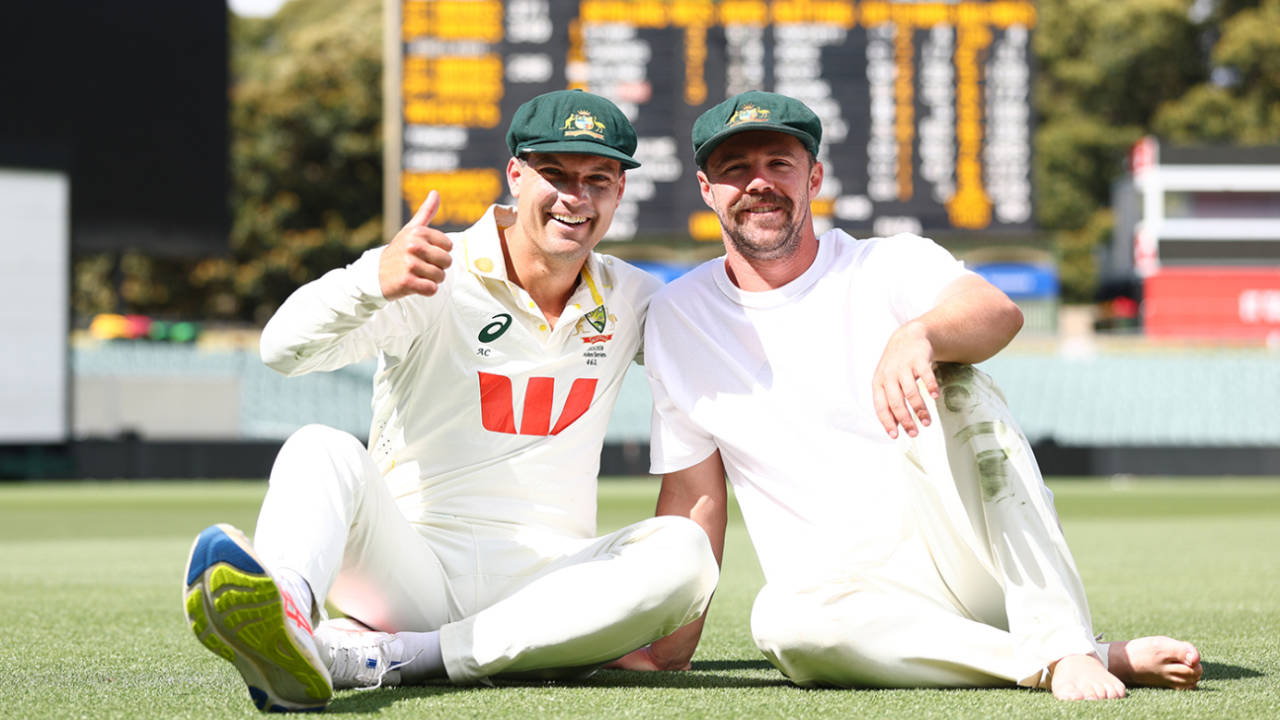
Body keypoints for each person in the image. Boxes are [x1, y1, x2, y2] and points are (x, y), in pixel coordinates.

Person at [613, 91, 1202, 701]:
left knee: (961, 387)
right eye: (735, 169)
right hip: (848, 602)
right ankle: (1069, 656)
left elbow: (996, 312)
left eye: (778, 163)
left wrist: (918, 333)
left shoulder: (888, 263)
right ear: (708, 190)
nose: (758, 182)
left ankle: (1059, 639)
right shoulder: (679, 316)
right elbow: (693, 493)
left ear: (813, 176)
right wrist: (667, 647)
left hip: (966, 562)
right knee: (782, 623)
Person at [181, 89, 718, 712]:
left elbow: (729, 353)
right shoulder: (430, 266)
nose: (576, 197)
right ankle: (290, 617)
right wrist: (367, 280)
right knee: (318, 448)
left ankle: (386, 657)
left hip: (548, 588)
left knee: (686, 554)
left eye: (598, 179)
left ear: (620, 192)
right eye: (556, 175)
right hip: (410, 572)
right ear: (515, 174)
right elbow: (281, 350)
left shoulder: (633, 297)